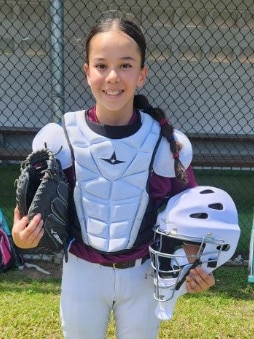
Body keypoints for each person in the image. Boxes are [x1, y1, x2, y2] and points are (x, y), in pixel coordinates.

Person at [12, 12, 215, 339]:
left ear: (142, 74)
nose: (113, 77)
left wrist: (195, 266)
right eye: (102, 65)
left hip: (143, 275)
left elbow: (189, 213)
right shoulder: (61, 137)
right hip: (82, 273)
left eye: (125, 65)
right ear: (87, 72)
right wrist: (21, 236)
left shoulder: (167, 144)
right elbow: (24, 211)